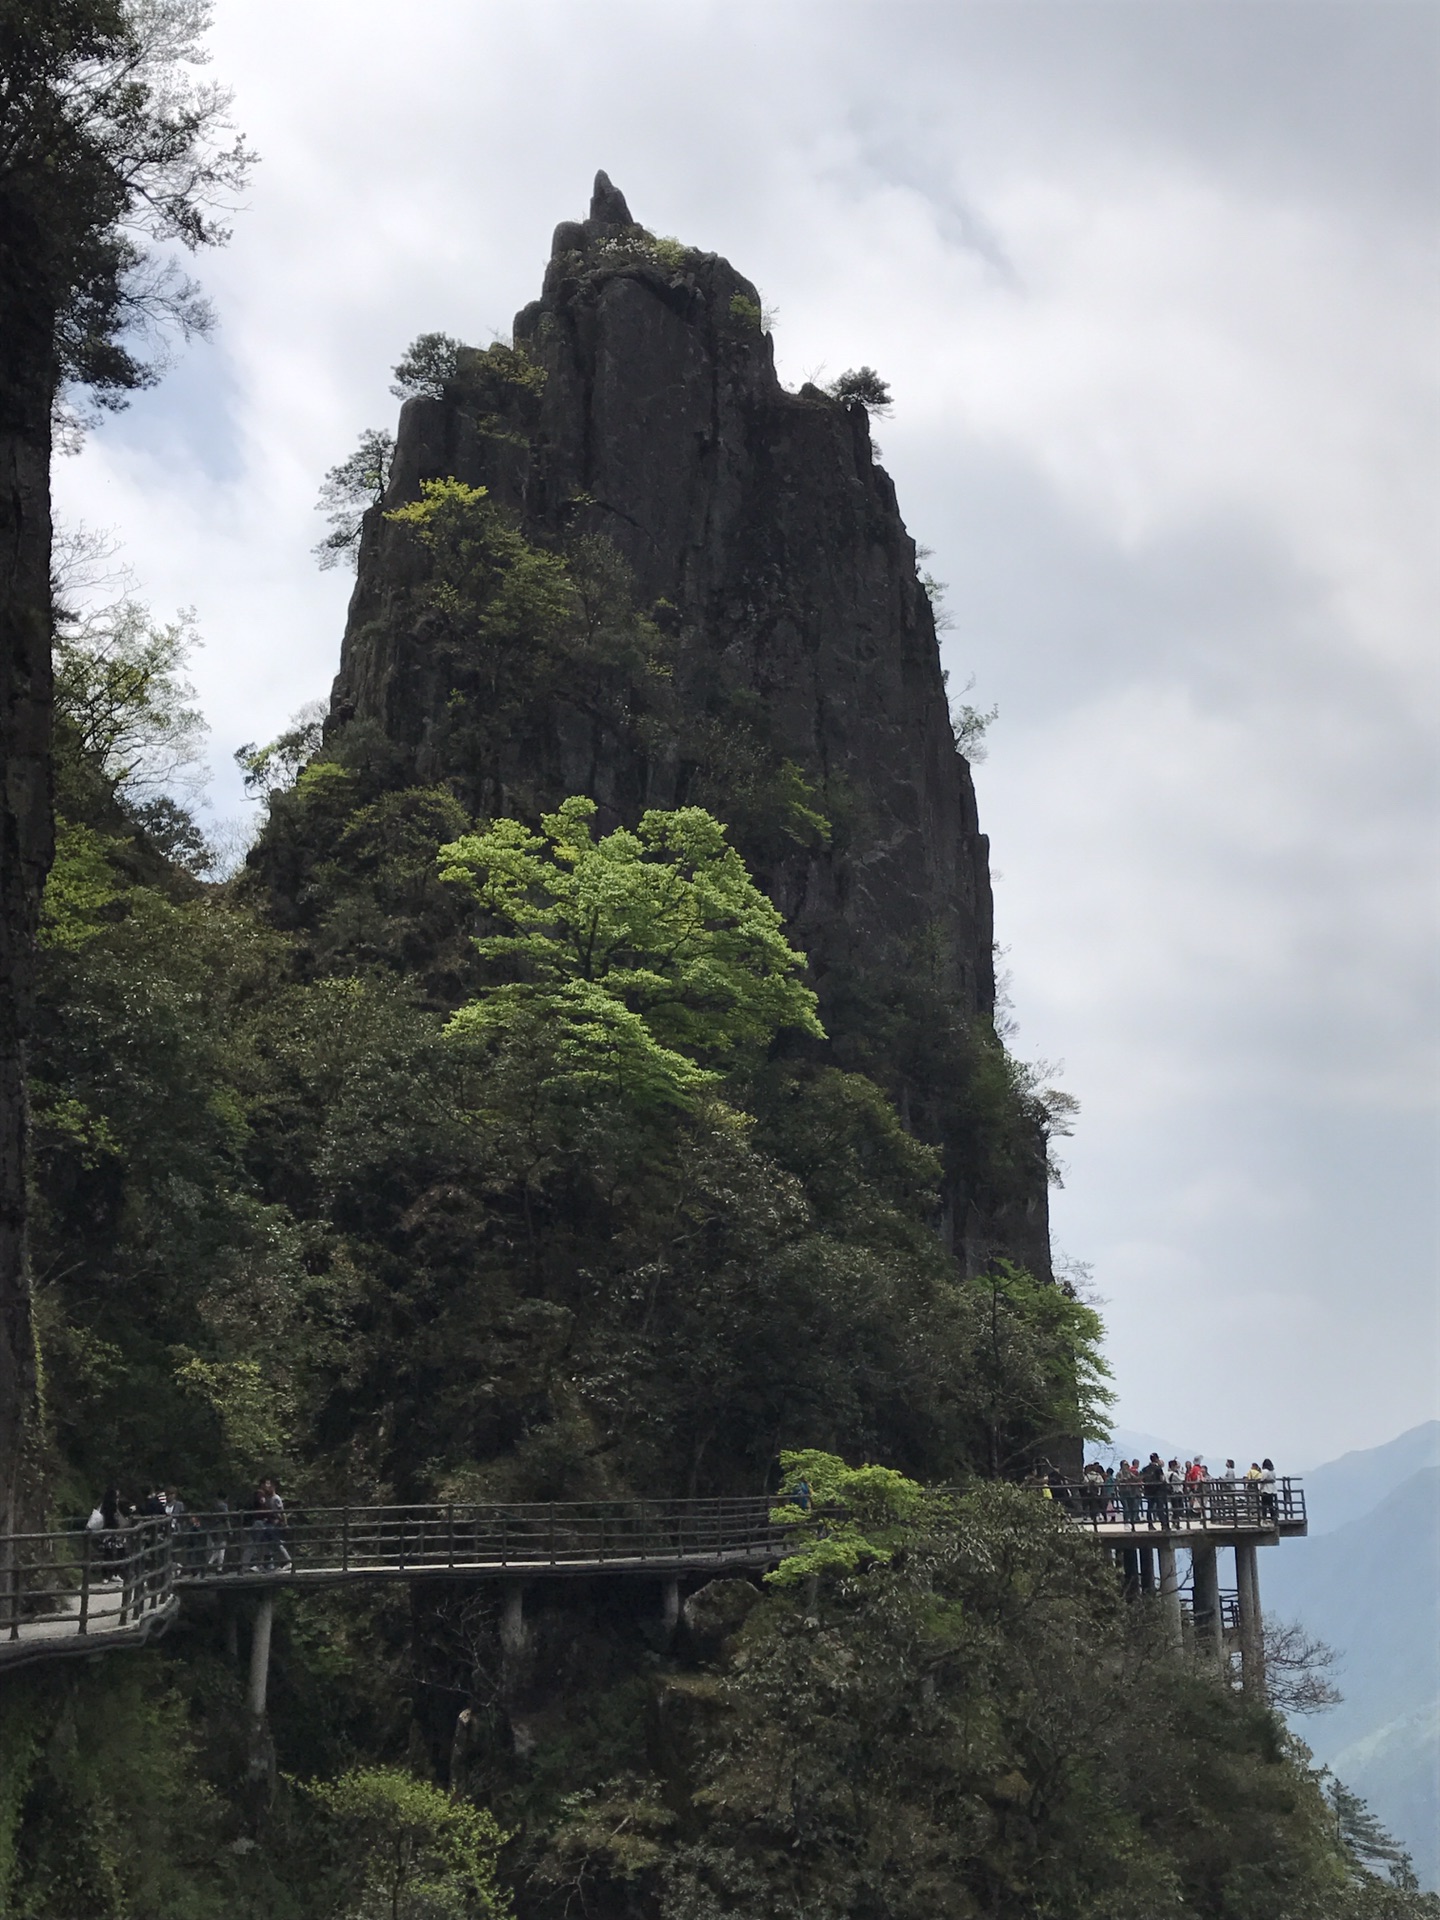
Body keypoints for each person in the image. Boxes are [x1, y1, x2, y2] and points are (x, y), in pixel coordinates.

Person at [1141, 1452, 1168, 1528]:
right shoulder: (1158, 1469)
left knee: (1150, 1507)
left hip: (1148, 1490)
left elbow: (1143, 1479)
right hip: (1158, 1490)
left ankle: (1150, 1524)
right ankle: (1163, 1524)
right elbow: (1162, 1479)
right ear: (1156, 1459)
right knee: (1160, 1508)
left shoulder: (1145, 1469)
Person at [1118, 1459, 1141, 1527]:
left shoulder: (1129, 1473)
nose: (1126, 1466)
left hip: (1130, 1492)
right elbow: (1117, 1481)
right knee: (1126, 1507)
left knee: (1131, 1507)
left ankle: (1132, 1521)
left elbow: (1135, 1478)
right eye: (1125, 1465)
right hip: (1123, 1492)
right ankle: (1126, 1521)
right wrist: (1123, 1480)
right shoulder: (1119, 1473)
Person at [1259, 1458, 1277, 1524]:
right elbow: (1274, 1479)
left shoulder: (1265, 1471)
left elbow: (1262, 1480)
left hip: (1266, 1489)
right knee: (1271, 1505)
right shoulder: (1273, 1472)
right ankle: (1273, 1517)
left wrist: (1260, 1489)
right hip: (1272, 1489)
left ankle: (1264, 1518)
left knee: (1264, 1505)